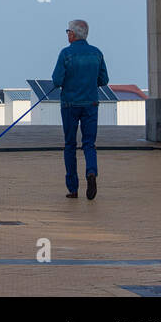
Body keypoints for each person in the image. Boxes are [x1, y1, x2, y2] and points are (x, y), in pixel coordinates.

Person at [51, 19, 109, 200]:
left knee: (70, 145)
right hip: (91, 104)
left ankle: (73, 188)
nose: (67, 34)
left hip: (69, 104)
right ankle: (91, 172)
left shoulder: (66, 53)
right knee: (89, 144)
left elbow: (57, 80)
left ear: (73, 34)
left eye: (68, 31)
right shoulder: (97, 53)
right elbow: (104, 80)